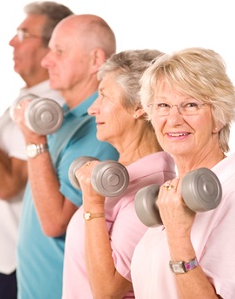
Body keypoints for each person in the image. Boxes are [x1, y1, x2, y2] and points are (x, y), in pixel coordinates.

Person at [130, 47, 235, 298]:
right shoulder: (171, 196)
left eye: (190, 105)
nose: (174, 119)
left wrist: (177, 235)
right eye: (163, 105)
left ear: (218, 117)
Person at [0, 2, 73, 299]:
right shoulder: (29, 98)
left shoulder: (47, 109)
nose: (11, 41)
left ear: (53, 47)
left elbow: (7, 185)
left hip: (6, 263)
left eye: (23, 34)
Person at [14, 14, 119, 299]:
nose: (47, 61)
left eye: (59, 51)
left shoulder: (101, 129)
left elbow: (54, 222)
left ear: (96, 60)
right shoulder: (64, 119)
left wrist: (34, 139)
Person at [62, 49, 176, 298]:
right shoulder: (119, 180)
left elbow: (108, 290)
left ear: (139, 107)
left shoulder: (151, 193)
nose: (92, 109)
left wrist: (92, 204)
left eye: (103, 96)